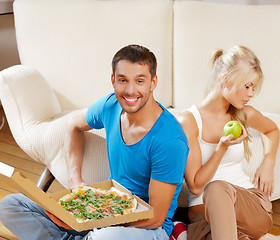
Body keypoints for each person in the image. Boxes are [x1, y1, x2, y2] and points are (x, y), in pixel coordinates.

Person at [0, 44, 189, 240]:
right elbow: (73, 124)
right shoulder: (111, 105)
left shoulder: (170, 140)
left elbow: (155, 218)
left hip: (147, 230)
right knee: (11, 206)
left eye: (140, 81)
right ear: (113, 80)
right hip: (106, 208)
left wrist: (91, 220)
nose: (130, 90)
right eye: (123, 80)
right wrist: (75, 182)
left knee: (104, 237)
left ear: (153, 82)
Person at [177, 46, 280, 240]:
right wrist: (220, 149)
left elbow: (272, 130)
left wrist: (269, 162)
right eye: (247, 86)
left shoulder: (244, 114)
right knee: (213, 196)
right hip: (204, 214)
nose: (251, 94)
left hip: (250, 209)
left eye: (253, 88)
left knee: (216, 188)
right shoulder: (189, 122)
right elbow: (196, 187)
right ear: (225, 79)